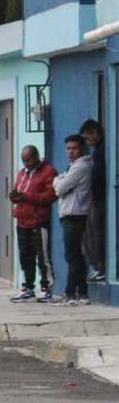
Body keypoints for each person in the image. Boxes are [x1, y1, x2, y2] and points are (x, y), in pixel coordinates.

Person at [9, 146, 57, 303]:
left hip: (38, 221)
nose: (26, 164)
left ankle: (46, 288)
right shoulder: (22, 173)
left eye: (29, 160)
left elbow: (50, 195)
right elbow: (19, 191)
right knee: (25, 256)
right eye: (24, 160)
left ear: (37, 157)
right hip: (22, 220)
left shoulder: (48, 172)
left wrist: (26, 196)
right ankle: (28, 287)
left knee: (42, 257)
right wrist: (14, 196)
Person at [53, 134, 94, 305]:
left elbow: (60, 188)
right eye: (68, 148)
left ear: (82, 148)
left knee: (72, 256)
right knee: (76, 254)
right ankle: (82, 293)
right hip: (71, 215)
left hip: (75, 215)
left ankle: (70, 293)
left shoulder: (80, 167)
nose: (70, 152)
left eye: (74, 148)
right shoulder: (73, 167)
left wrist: (57, 180)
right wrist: (60, 180)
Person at [80, 119, 106, 282]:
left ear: (96, 133)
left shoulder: (101, 151)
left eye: (88, 138)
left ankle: (100, 267)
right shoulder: (98, 151)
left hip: (98, 198)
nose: (87, 143)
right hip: (96, 197)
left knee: (94, 234)